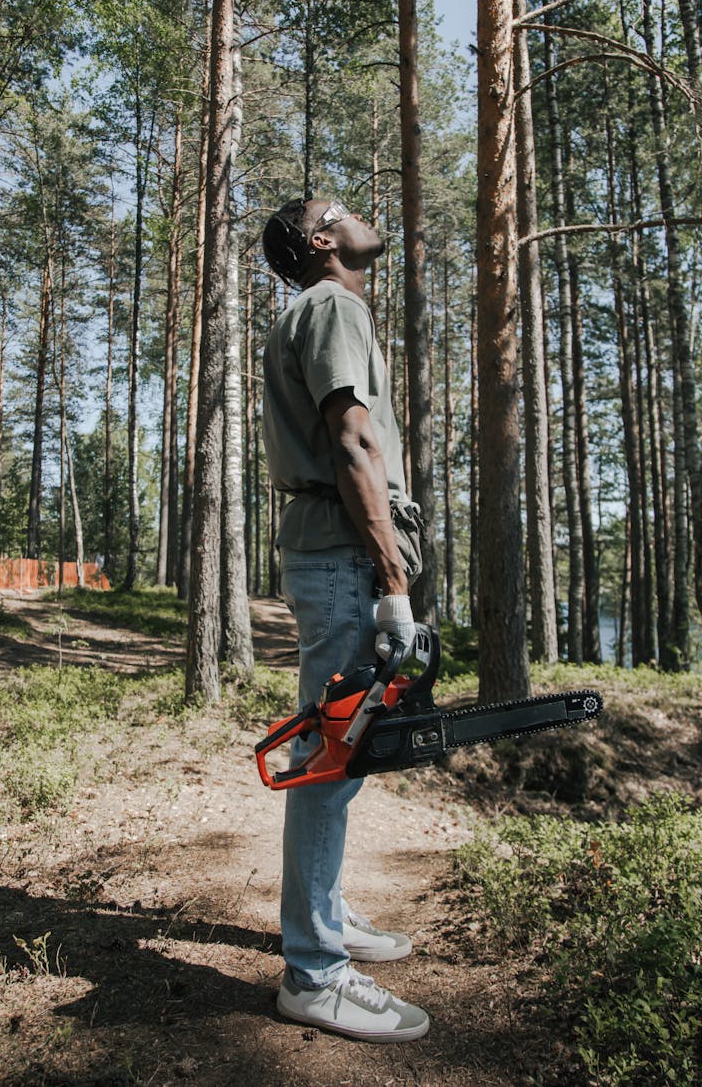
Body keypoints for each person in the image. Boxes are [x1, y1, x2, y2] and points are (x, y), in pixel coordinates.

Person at [261, 196, 429, 1043]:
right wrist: (392, 580)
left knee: (341, 748)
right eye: (340, 208)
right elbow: (353, 439)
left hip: (334, 548)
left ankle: (322, 913)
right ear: (322, 242)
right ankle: (315, 971)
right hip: (342, 554)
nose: (363, 212)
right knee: (328, 751)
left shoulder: (325, 308)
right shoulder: (332, 304)